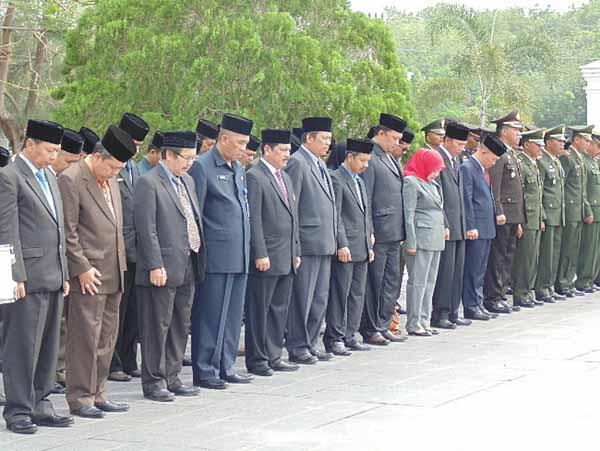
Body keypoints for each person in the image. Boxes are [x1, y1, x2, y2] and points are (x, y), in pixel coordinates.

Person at [0, 120, 72, 434]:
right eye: (49, 150)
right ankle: (17, 410)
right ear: (30, 145)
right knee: (21, 346)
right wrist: (12, 276)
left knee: (46, 345)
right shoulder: (9, 177)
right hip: (25, 278)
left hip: (53, 275)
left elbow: (59, 230)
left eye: (56, 151)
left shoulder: (50, 178)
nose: (54, 157)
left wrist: (65, 271)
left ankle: (42, 403)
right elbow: (6, 230)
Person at [59, 125, 135, 418]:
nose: (116, 173)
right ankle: (80, 397)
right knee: (84, 339)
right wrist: (81, 268)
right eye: (113, 167)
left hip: (114, 270)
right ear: (99, 157)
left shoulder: (111, 179)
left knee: (106, 338)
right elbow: (68, 231)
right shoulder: (72, 179)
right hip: (88, 275)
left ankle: (99, 393)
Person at [135, 131, 203, 401]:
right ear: (168, 155)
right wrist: (154, 263)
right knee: (156, 325)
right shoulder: (148, 183)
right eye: (185, 158)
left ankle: (173, 376)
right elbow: (146, 228)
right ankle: (153, 381)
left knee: (179, 323)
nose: (189, 164)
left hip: (188, 261)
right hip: (161, 266)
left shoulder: (187, 181)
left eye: (193, 159)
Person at [189, 113, 253, 389]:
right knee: (211, 315)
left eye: (246, 143)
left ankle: (226, 364)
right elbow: (197, 214)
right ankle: (205, 369)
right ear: (223, 139)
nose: (243, 148)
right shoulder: (203, 167)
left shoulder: (237, 168)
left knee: (231, 316)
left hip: (239, 254)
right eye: (239, 142)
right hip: (215, 255)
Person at [244, 129, 301, 376]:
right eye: (282, 150)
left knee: (279, 308)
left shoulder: (285, 177)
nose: (287, 155)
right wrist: (260, 252)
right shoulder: (255, 176)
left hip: (286, 255)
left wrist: (296, 249)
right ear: (266, 150)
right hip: (267, 255)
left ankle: (274, 354)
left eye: (289, 151)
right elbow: (254, 218)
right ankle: (257, 359)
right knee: (260, 309)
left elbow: (293, 217)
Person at [284, 117, 337, 364]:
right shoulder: (297, 162)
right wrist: (294, 244)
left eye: (329, 139)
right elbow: (291, 207)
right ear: (309, 138)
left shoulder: (320, 164)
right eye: (324, 138)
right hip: (307, 241)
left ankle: (311, 341)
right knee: (302, 299)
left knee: (319, 298)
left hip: (324, 241)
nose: (328, 143)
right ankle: (297, 345)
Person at [108, 112, 150, 383]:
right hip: (117, 249)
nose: (135, 148)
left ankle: (127, 357)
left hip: (136, 248)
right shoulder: (113, 165)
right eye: (132, 142)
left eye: (138, 143)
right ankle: (113, 362)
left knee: (133, 309)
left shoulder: (134, 169)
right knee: (117, 311)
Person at [324, 138, 374, 355]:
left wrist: (369, 239)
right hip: (346, 248)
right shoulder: (337, 179)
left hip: (362, 246)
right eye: (362, 160)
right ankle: (335, 337)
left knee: (357, 293)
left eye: (368, 161)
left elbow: (366, 214)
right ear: (350, 157)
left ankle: (350, 334)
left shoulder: (359, 181)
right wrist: (341, 243)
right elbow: (336, 216)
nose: (365, 165)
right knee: (340, 293)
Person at [52, 128, 84, 394]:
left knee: (61, 321)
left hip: (63, 263)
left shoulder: (62, 179)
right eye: (68, 161)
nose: (72, 167)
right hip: (39, 266)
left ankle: (58, 369)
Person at [483, 111, 526, 314]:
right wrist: (498, 211)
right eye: (516, 130)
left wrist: (519, 218)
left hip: (513, 214)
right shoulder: (499, 154)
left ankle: (500, 295)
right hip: (503, 215)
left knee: (508, 256)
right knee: (498, 257)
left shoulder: (512, 153)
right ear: (504, 131)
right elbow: (495, 187)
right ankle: (492, 297)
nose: (519, 134)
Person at [431, 121, 471, 329]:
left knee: (457, 271)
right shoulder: (437, 159)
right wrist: (445, 223)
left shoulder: (456, 161)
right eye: (458, 144)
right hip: (447, 226)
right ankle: (441, 312)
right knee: (445, 273)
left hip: (459, 225)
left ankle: (454, 310)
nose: (461, 149)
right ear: (446, 140)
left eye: (463, 145)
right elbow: (438, 196)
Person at [462, 134, 506, 320]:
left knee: (481, 269)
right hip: (476, 229)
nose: (494, 163)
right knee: (473, 269)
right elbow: (467, 199)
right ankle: (471, 305)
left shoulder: (482, 169)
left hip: (487, 227)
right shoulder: (468, 168)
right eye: (493, 159)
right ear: (483, 151)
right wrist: (471, 226)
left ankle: (478, 303)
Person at [403, 149, 447, 336]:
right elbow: (408, 214)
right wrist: (410, 242)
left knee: (430, 281)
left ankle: (424, 319)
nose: (437, 173)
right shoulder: (411, 182)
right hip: (420, 238)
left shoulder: (433, 184)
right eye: (434, 168)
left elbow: (439, 209)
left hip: (435, 238)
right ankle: (414, 322)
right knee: (418, 282)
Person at [556, 126, 594, 297]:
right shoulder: (568, 157)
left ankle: (569, 281)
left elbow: (582, 189)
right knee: (567, 248)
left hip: (578, 209)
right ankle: (562, 282)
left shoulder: (579, 158)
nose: (588, 144)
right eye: (585, 140)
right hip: (570, 209)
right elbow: (561, 187)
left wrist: (586, 209)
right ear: (577, 140)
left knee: (574, 248)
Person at [511, 129, 545, 308]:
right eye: (537, 144)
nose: (541, 147)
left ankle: (528, 290)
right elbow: (520, 194)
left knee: (533, 257)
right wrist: (519, 220)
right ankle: (520, 293)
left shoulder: (532, 164)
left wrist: (541, 217)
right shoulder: (522, 164)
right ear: (526, 145)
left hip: (535, 216)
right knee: (524, 258)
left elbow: (537, 195)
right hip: (526, 217)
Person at [534, 125, 567, 303]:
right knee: (546, 254)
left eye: (563, 141)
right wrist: (543, 215)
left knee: (554, 253)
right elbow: (539, 191)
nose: (563, 143)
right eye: (559, 140)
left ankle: (549, 286)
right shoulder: (542, 161)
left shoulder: (555, 160)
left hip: (558, 214)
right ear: (548, 143)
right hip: (548, 213)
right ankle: (542, 287)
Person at [575, 128, 600, 293]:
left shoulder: (592, 161)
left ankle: (590, 278)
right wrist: (587, 209)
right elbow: (583, 189)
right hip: (590, 208)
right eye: (595, 145)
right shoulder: (583, 161)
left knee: (595, 249)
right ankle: (583, 279)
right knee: (588, 248)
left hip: (598, 209)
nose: (597, 148)